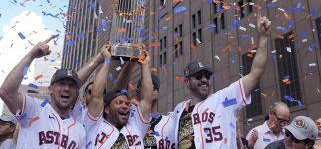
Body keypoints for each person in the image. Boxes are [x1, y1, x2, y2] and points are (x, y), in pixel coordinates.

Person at [171, 12, 271, 148]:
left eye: (207, 75)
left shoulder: (225, 100)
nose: (204, 79)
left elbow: (255, 73)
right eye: (198, 76)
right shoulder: (179, 110)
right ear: (187, 82)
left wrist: (263, 37)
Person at [0, 36, 105, 148]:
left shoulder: (79, 130)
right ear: (50, 90)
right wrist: (31, 55)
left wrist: (100, 58)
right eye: (61, 84)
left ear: (77, 94)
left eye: (71, 85)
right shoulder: (34, 109)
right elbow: (6, 93)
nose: (67, 89)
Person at [85, 45, 154, 147]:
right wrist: (107, 60)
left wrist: (145, 64)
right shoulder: (94, 125)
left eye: (127, 103)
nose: (125, 106)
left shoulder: (136, 125)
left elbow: (147, 99)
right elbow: (96, 95)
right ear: (107, 109)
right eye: (119, 102)